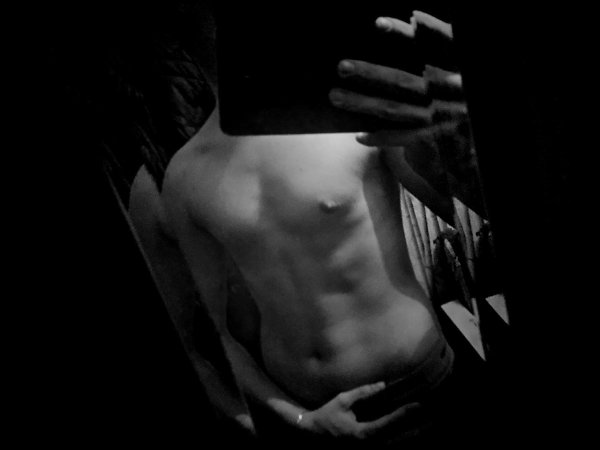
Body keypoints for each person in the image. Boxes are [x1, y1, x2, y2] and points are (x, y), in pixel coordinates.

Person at [129, 9, 481, 447]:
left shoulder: (348, 114)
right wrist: (299, 419)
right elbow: (214, 338)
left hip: (421, 386)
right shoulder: (184, 176)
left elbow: (462, 204)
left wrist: (461, 135)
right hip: (311, 411)